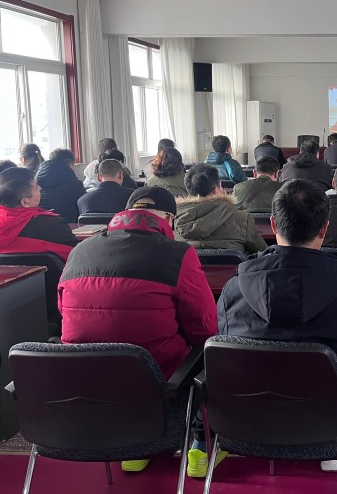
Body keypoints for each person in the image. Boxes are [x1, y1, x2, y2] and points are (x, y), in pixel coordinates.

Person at [216, 179, 337, 472]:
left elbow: (226, 352)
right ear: (324, 229)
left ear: (273, 224)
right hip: (328, 418)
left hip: (248, 419)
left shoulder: (233, 289)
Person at [58, 186, 218, 474]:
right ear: (169, 219)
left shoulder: (79, 251)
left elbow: (64, 312)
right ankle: (200, 442)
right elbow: (205, 328)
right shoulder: (179, 254)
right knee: (213, 353)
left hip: (83, 384)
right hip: (156, 384)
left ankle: (135, 447)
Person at [174, 163, 267, 254]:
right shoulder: (243, 219)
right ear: (215, 190)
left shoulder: (173, 221)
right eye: (221, 186)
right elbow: (264, 253)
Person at [0, 167, 77, 262]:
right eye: (36, 187)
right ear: (25, 202)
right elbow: (77, 255)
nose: (40, 188)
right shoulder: (52, 224)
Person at [36, 148, 86, 223]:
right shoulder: (75, 185)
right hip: (68, 225)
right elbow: (85, 205)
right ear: (70, 164)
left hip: (39, 224)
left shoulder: (36, 182)